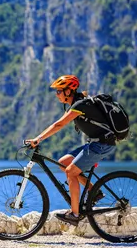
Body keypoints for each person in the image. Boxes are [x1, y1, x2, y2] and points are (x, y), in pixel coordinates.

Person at [25, 75, 116, 226]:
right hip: (96, 143)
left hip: (102, 144)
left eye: (59, 91)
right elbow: (58, 124)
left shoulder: (80, 105)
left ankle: (75, 214)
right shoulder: (76, 105)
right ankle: (95, 192)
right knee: (63, 163)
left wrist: (38, 139)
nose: (57, 94)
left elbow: (58, 125)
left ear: (69, 91)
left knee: (70, 172)